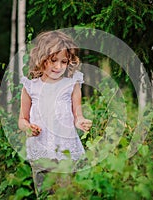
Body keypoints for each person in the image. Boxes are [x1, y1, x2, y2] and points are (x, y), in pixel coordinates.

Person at [18, 30, 92, 196]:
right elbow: (22, 119)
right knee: (44, 193)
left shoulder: (71, 84)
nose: (58, 66)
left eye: (63, 61)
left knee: (66, 193)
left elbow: (77, 114)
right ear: (42, 58)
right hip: (40, 150)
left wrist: (80, 121)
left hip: (66, 151)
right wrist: (28, 127)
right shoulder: (31, 87)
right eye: (53, 60)